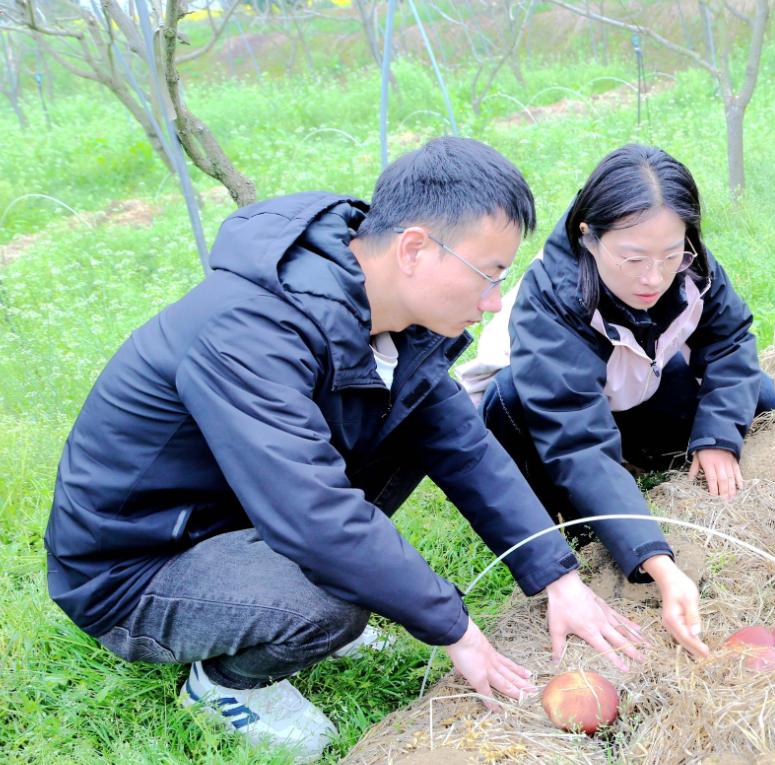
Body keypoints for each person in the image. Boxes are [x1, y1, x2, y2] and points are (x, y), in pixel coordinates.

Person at [44, 137, 650, 763]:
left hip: (235, 516)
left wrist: (556, 578)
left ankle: (275, 595)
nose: (493, 301)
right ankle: (223, 684)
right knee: (334, 597)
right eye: (487, 274)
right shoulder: (250, 331)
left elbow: (465, 449)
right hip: (136, 567)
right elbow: (315, 517)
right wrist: (456, 630)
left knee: (412, 427)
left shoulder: (385, 315)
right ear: (413, 248)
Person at [459, 144, 775, 661]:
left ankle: (634, 462)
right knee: (508, 399)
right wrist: (658, 562)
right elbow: (577, 440)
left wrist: (718, 437)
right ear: (589, 236)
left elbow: (729, 340)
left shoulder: (688, 265)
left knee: (755, 394)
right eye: (633, 259)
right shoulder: (552, 299)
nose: (653, 277)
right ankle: (576, 518)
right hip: (543, 419)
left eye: (670, 255)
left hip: (629, 391)